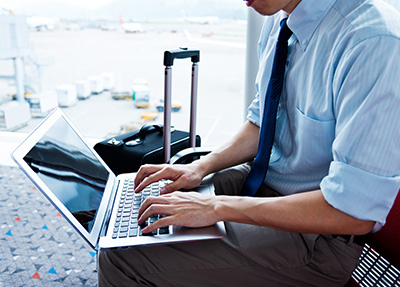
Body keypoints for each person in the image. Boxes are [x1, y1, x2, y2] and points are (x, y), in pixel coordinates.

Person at [98, 0, 400, 286]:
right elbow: (261, 123)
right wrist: (202, 166)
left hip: (316, 235)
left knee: (121, 259)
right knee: (147, 206)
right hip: (261, 185)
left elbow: (352, 213)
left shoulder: (371, 42)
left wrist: (217, 206)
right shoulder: (279, 17)